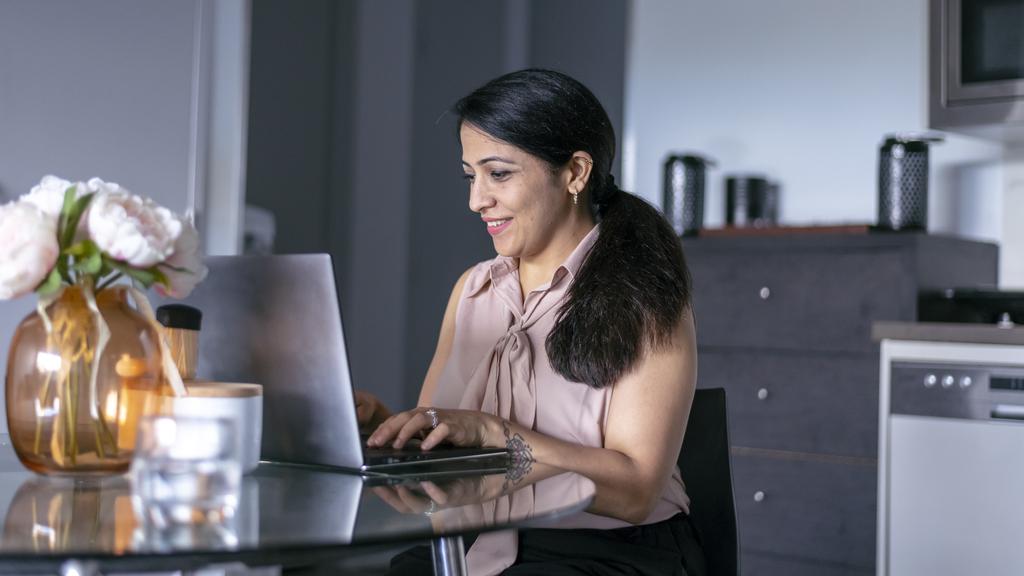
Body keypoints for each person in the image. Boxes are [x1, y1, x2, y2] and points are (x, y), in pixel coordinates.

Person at [356, 68, 705, 575]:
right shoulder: (472, 291)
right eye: (469, 176)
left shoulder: (645, 295)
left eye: (498, 174)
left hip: (614, 552)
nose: (477, 200)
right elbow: (450, 451)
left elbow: (634, 491)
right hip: (479, 545)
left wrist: (492, 432)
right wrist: (390, 430)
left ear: (576, 172)